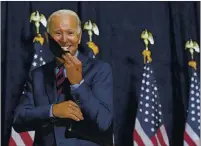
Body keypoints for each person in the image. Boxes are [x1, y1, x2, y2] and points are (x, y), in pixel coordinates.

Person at [13, 9, 113, 146]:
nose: (64, 39)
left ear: (79, 37)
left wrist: (78, 84)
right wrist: (52, 111)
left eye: (70, 33)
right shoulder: (37, 75)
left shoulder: (100, 70)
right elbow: (18, 120)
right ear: (48, 38)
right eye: (58, 33)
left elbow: (104, 122)